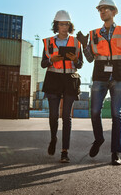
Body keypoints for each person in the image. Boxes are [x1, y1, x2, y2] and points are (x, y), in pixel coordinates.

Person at [77, 0, 121, 166]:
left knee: (115, 114)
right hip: (100, 76)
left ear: (114, 12)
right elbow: (90, 59)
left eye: (105, 9)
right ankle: (99, 139)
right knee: (95, 111)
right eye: (100, 10)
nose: (102, 12)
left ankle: (115, 153)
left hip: (119, 76)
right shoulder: (94, 34)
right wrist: (84, 45)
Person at [41, 10, 83, 163]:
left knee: (66, 117)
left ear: (69, 25)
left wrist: (75, 59)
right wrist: (52, 59)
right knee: (53, 115)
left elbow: (80, 64)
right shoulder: (48, 42)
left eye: (66, 24)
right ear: (56, 25)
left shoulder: (77, 43)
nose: (64, 27)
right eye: (61, 24)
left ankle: (64, 151)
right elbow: (43, 64)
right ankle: (53, 138)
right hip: (53, 79)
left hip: (70, 79)